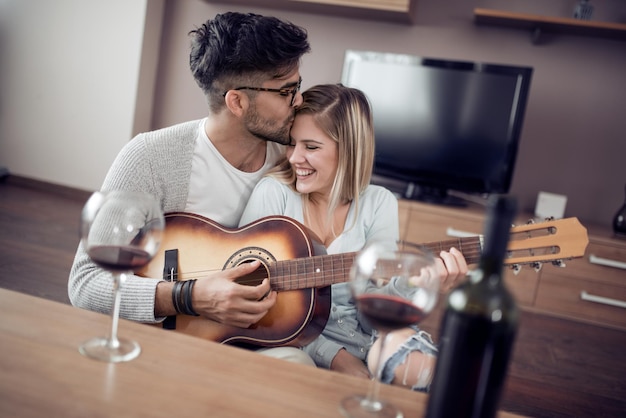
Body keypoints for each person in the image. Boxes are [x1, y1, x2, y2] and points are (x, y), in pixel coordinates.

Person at [68, 12, 315, 365]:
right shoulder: (150, 157)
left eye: (298, 86)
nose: (299, 101)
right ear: (238, 103)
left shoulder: (294, 162)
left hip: (260, 338)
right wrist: (189, 297)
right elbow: (85, 282)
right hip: (166, 344)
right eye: (287, 91)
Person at [238, 84, 468, 390]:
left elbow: (379, 298)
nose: (294, 158)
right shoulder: (274, 194)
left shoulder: (378, 202)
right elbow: (246, 295)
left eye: (311, 146)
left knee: (421, 366)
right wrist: (336, 357)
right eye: (292, 144)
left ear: (348, 149)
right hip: (293, 340)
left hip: (365, 337)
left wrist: (421, 282)